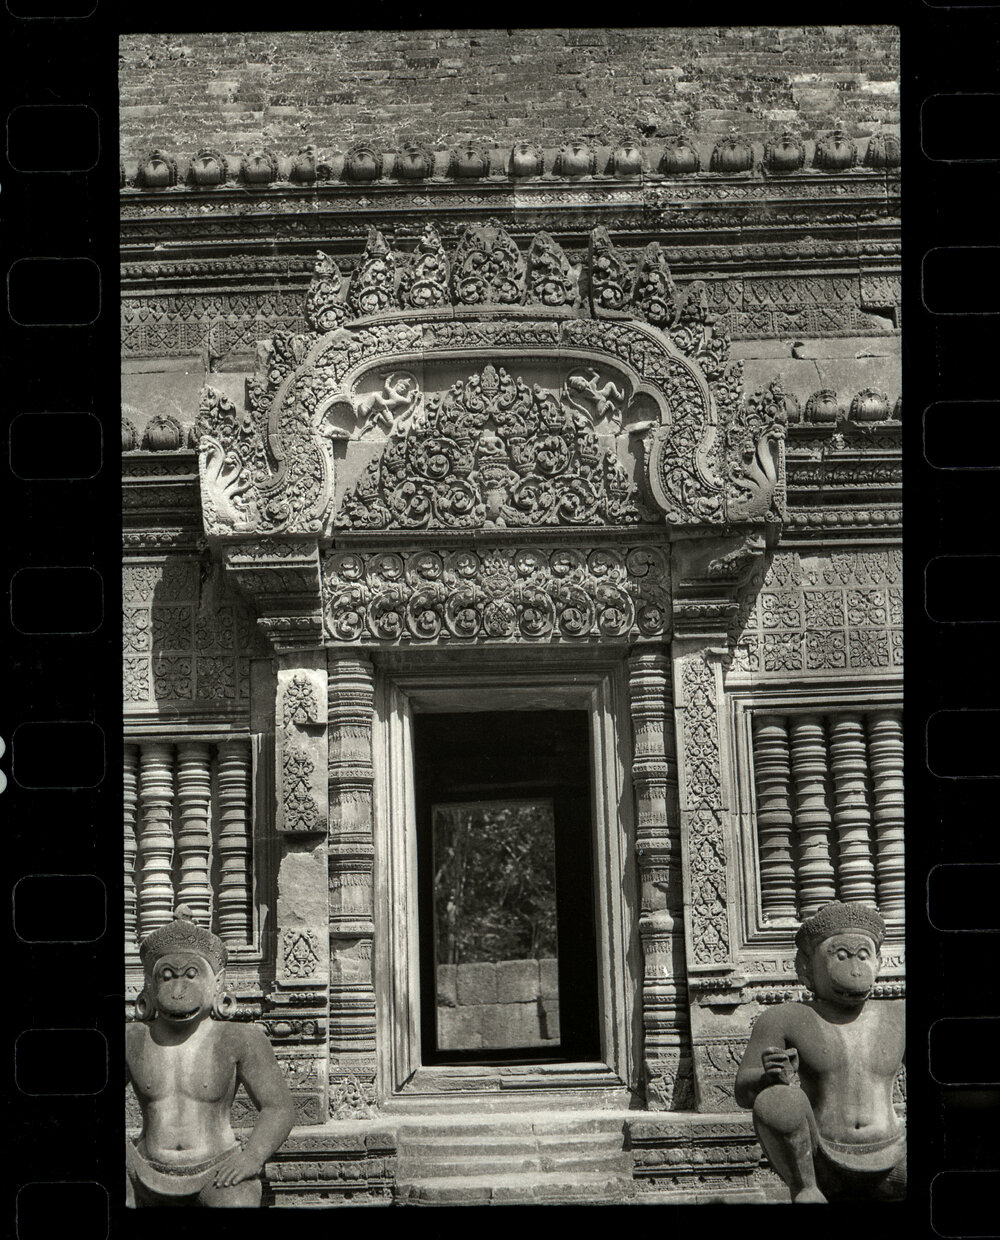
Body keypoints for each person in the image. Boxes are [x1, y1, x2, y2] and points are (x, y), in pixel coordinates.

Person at [734, 901, 905, 1203]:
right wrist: (768, 1077)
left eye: (863, 956)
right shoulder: (786, 1017)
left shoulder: (898, 1015)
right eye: (841, 956)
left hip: (894, 1152)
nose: (855, 970)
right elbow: (743, 1093)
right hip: (819, 1158)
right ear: (806, 966)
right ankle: (805, 1188)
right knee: (776, 1100)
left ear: (878, 962)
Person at [126, 906, 295, 1207]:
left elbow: (278, 1107)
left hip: (217, 1171)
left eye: (191, 975)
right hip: (144, 1170)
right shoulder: (133, 1039)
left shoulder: (239, 1038)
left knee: (235, 1203)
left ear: (217, 983)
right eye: (167, 977)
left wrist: (252, 1156)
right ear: (150, 985)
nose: (178, 991)